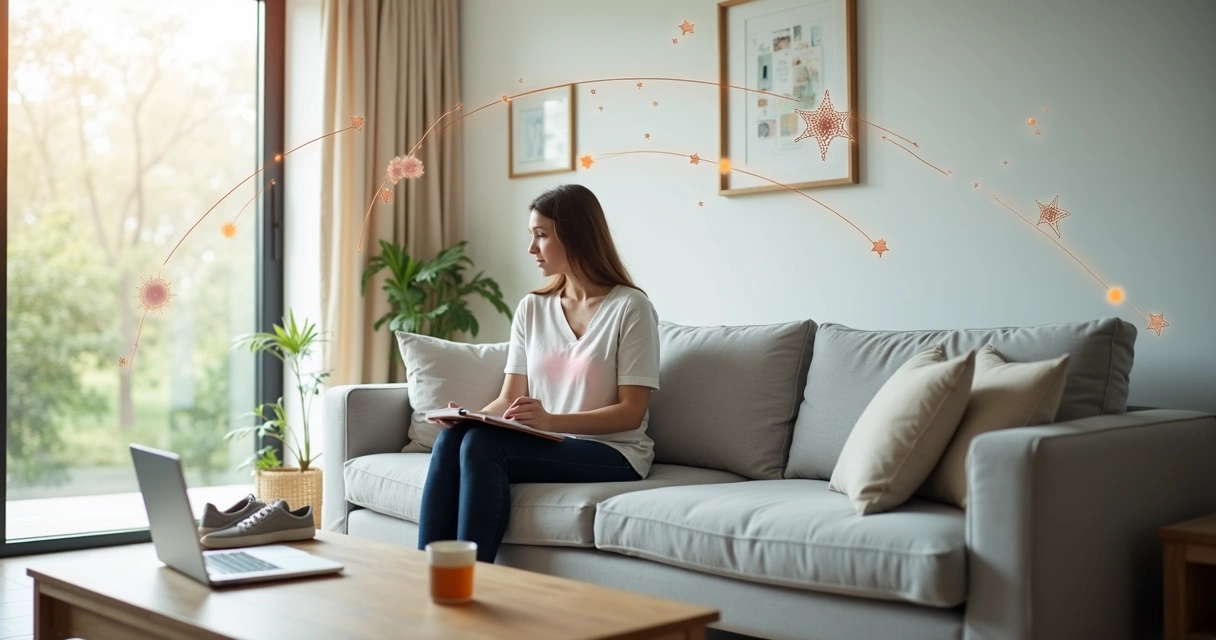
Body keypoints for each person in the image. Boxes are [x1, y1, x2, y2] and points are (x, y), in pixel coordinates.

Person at [416, 183, 661, 563]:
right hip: (551, 441)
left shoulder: (630, 307)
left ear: (576, 235)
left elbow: (631, 412)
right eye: (531, 236)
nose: (531, 249)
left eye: (541, 236)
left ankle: (472, 578)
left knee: (484, 446)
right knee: (455, 441)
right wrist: (469, 417)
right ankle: (426, 576)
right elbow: (507, 398)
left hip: (615, 451)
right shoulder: (532, 307)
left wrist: (550, 421)